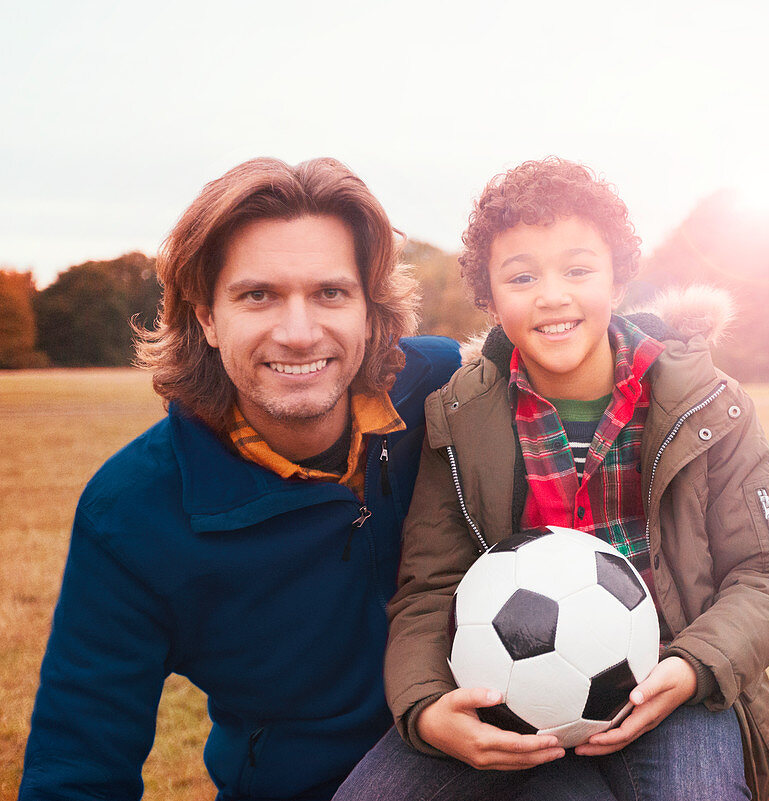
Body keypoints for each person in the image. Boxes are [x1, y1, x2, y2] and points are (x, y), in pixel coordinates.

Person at [335, 157, 769, 801]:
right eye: (522, 275)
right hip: (508, 695)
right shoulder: (459, 416)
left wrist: (694, 667)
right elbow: (430, 586)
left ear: (616, 282)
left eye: (579, 269)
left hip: (672, 690)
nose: (552, 295)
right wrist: (424, 707)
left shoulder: (710, 405)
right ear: (490, 295)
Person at [18, 157, 460, 801]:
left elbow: (591, 351)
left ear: (370, 306)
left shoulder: (446, 392)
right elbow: (78, 767)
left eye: (330, 293)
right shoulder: (132, 511)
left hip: (493, 764)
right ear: (205, 317)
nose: (299, 333)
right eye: (258, 295)